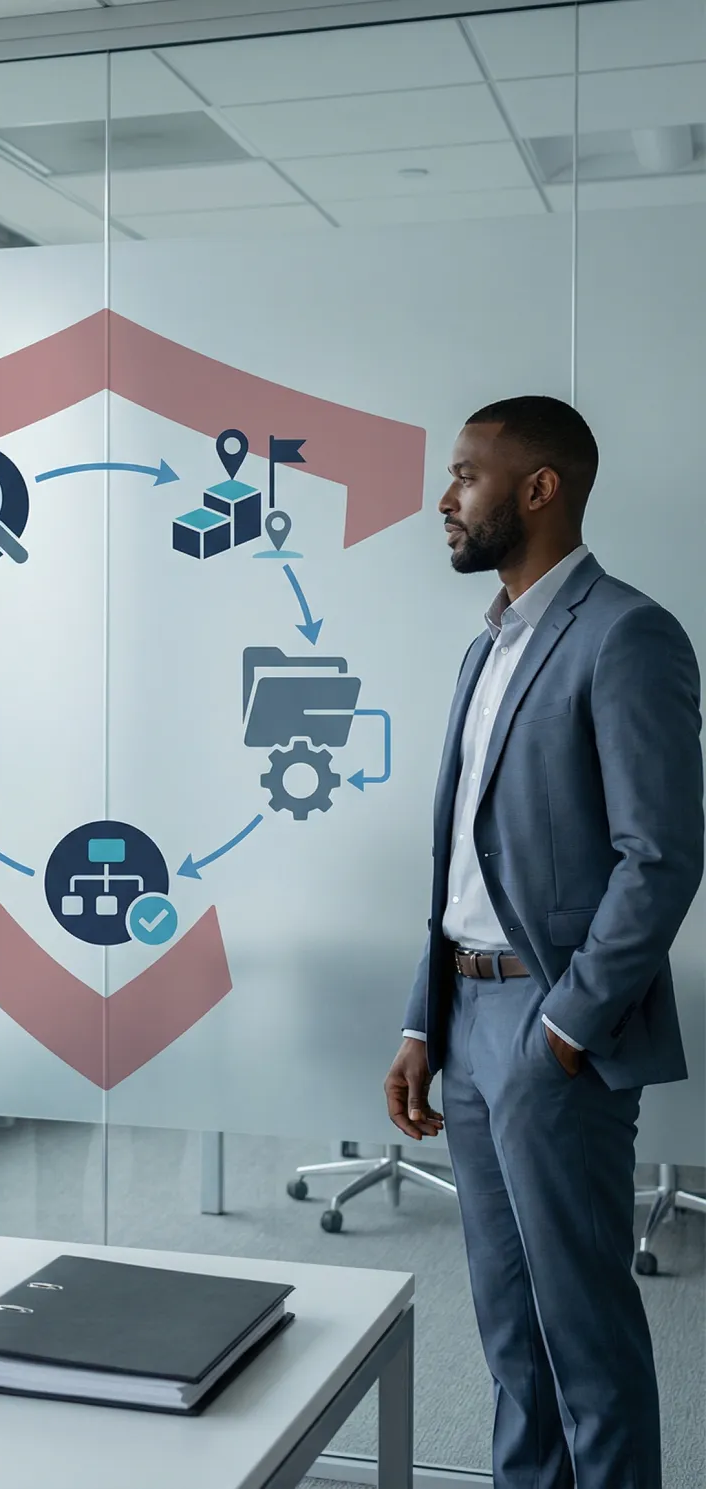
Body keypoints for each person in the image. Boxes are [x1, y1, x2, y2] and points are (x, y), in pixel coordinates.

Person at [384, 397, 702, 1489]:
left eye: (466, 475)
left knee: (584, 1338)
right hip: (465, 1018)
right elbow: (456, 860)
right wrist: (424, 1016)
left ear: (539, 488)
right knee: (511, 1334)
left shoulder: (627, 633)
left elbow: (660, 854)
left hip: (547, 1018)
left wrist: (567, 1025)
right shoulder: (486, 650)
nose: (445, 497)